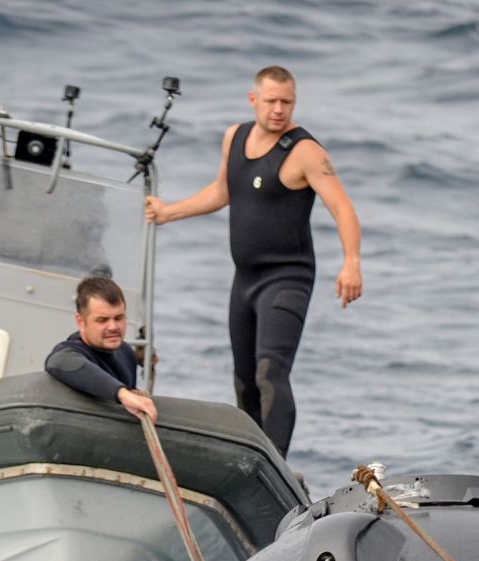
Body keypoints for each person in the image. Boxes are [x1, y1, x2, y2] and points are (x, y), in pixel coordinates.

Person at [144, 65, 362, 455]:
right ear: (253, 100)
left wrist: (351, 262)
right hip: (244, 278)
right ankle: (250, 456)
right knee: (244, 379)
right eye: (272, 101)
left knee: (270, 373)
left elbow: (343, 208)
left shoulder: (306, 152)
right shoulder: (236, 136)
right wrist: (168, 212)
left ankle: (274, 463)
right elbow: (222, 191)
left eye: (287, 102)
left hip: (288, 278)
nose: (279, 109)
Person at [45, 276, 158, 422]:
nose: (113, 327)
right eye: (102, 320)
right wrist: (122, 394)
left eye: (119, 318)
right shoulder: (70, 353)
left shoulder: (126, 352)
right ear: (81, 322)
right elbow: (58, 361)